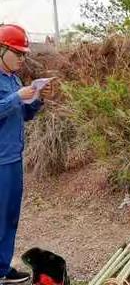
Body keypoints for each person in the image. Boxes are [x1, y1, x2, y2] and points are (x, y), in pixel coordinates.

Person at [0, 24, 53, 283]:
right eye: (17, 53)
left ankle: (2, 268)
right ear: (1, 50)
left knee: (10, 217)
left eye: (23, 54)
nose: (22, 58)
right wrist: (15, 97)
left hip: (13, 157)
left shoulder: (14, 80)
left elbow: (24, 115)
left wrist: (37, 99)